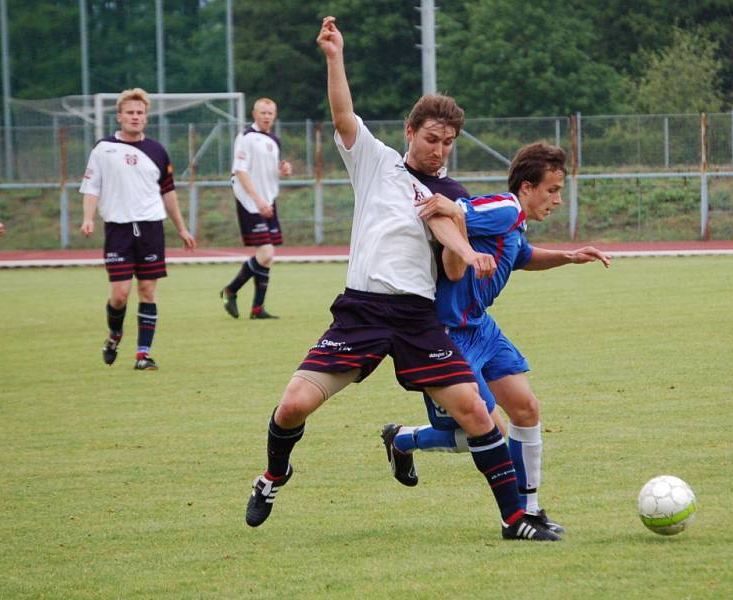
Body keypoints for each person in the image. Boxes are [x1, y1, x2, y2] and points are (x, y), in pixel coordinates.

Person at [243, 16, 561, 542]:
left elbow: (448, 242)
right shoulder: (377, 162)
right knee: (293, 405)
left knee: (478, 416)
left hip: (418, 317)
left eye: (449, 142)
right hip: (363, 310)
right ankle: (275, 474)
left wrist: (462, 252)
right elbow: (343, 114)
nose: (440, 149)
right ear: (411, 132)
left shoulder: (453, 194)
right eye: (432, 138)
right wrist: (334, 56)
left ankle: (515, 520)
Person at [381, 142, 611, 535]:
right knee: (481, 431)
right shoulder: (505, 208)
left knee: (525, 408)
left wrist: (569, 256)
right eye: (552, 190)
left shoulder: (514, 223)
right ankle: (403, 440)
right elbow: (449, 208)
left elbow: (521, 256)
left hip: (481, 327)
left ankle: (531, 509)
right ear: (526, 186)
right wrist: (456, 227)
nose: (557, 200)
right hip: (447, 333)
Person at [80, 87, 196, 370]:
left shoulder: (157, 151)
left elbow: (168, 193)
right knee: (120, 295)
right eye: (130, 112)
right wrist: (88, 217)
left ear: (146, 117)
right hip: (118, 229)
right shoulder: (103, 149)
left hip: (151, 227)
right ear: (119, 116)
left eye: (140, 113)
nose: (135, 117)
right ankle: (114, 335)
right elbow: (91, 187)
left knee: (147, 290)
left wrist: (181, 228)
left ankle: (143, 354)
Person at [220, 97, 292, 320]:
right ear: (254, 113)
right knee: (266, 252)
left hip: (267, 200)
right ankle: (230, 290)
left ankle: (257, 308)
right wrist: (257, 199)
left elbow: (268, 170)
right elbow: (240, 171)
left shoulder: (274, 140)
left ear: (275, 115)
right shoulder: (246, 137)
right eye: (263, 112)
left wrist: (283, 170)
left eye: (270, 113)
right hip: (251, 201)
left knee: (268, 257)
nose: (267, 116)